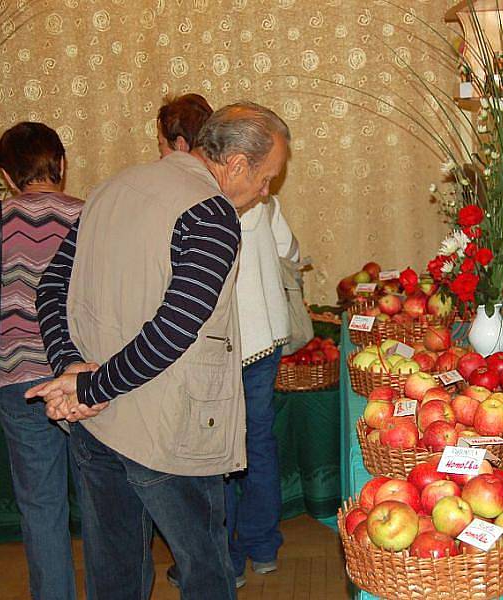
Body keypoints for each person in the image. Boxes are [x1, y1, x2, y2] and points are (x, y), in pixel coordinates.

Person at [26, 102, 291, 600]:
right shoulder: (213, 215)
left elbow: (49, 286)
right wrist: (84, 384)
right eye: (266, 179)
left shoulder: (111, 187)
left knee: (114, 573)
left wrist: (73, 371)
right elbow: (173, 330)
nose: (264, 192)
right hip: (169, 433)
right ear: (235, 164)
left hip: (97, 424)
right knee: (205, 569)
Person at [158, 95, 299, 589]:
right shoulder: (262, 200)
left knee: (218, 451)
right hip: (266, 341)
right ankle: (262, 546)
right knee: (258, 442)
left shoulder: (192, 205)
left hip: (221, 346)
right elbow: (292, 252)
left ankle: (224, 558)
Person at [0, 122, 84, 600]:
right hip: (86, 380)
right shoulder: (91, 212)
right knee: (106, 503)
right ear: (60, 163)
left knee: (41, 508)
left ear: (5, 174)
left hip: (20, 381)